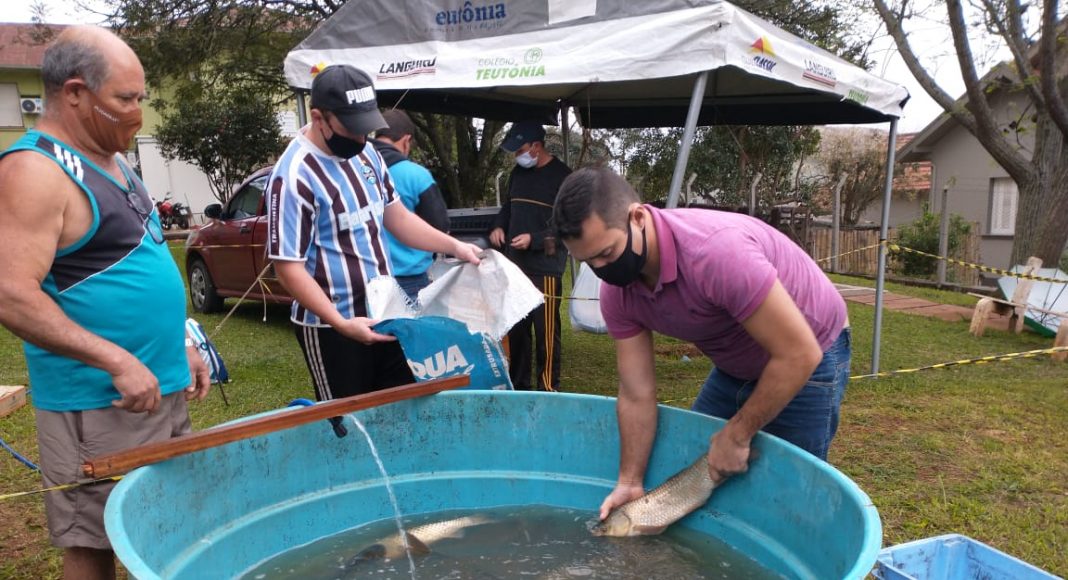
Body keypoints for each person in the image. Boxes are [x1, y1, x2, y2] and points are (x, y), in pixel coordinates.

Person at [0, 26, 211, 579]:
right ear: (75, 93)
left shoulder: (113, 159)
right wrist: (115, 360)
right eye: (125, 99)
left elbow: (146, 254)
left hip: (158, 387)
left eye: (140, 97)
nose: (137, 113)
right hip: (100, 401)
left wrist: (182, 339)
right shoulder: (34, 171)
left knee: (166, 525)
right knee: (94, 541)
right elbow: (11, 293)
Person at [552, 166, 851, 521]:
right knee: (694, 472)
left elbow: (799, 353)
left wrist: (737, 435)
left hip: (811, 347)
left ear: (638, 217)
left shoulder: (716, 253)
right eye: (588, 261)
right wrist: (629, 481)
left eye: (606, 252)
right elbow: (635, 393)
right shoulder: (618, 294)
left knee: (792, 492)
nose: (602, 269)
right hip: (734, 362)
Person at [267, 65, 481, 401]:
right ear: (319, 117)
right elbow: (287, 267)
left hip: (385, 311)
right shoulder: (293, 177)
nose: (360, 139)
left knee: (400, 407)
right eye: (351, 129)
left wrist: (454, 246)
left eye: (365, 129)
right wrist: (340, 322)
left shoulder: (368, 155)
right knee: (349, 420)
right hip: (332, 329)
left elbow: (397, 217)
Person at [489, 121, 572, 391]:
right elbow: (509, 207)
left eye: (520, 150)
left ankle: (548, 388)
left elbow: (568, 225)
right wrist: (499, 226)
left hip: (545, 267)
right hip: (516, 266)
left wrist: (533, 239)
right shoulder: (517, 174)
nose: (517, 156)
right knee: (517, 330)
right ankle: (519, 386)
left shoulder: (563, 177)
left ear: (537, 146)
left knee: (546, 332)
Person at [371, 109, 450, 300]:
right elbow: (441, 228)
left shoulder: (358, 168)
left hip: (370, 279)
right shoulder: (416, 175)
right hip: (410, 280)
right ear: (406, 140)